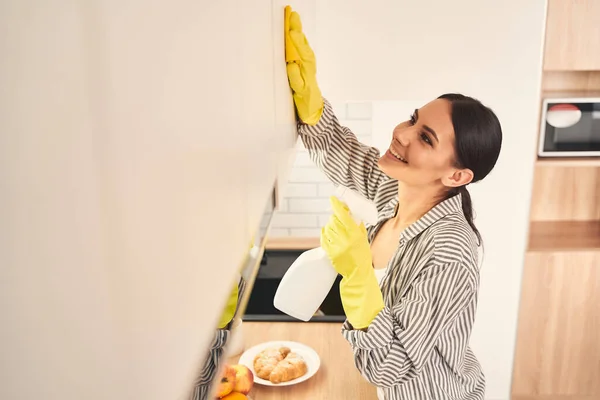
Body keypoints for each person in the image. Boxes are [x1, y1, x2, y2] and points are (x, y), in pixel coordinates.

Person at [284, 6, 502, 400]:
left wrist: (357, 277)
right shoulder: (396, 192)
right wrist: (309, 98)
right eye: (412, 119)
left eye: (426, 138)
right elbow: (341, 152)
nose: (402, 133)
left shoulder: (449, 250)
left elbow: (394, 363)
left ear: (456, 176)